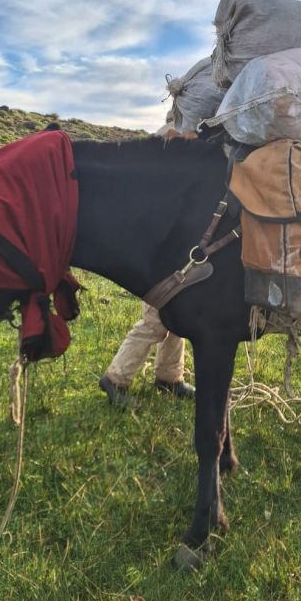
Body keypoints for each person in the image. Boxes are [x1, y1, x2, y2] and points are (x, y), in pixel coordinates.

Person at [99, 112, 196, 407]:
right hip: (156, 259)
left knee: (177, 316)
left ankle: (169, 377)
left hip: (167, 254)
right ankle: (116, 378)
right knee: (155, 321)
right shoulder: (165, 150)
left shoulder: (162, 157)